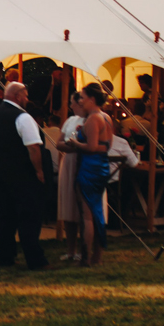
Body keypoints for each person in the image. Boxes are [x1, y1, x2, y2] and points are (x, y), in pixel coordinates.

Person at [0, 80, 48, 270]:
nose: (27, 99)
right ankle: (35, 259)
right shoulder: (23, 117)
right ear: (18, 96)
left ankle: (5, 256)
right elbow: (33, 148)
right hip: (22, 174)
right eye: (25, 96)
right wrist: (39, 170)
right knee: (29, 216)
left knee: (4, 216)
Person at [59, 83, 114, 266]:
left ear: (91, 99)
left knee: (87, 216)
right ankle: (97, 257)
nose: (80, 101)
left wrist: (75, 144)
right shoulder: (107, 118)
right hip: (102, 166)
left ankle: (85, 257)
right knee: (97, 213)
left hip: (89, 167)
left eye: (82, 97)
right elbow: (106, 146)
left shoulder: (92, 120)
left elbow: (90, 147)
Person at [56, 89, 86, 262]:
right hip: (69, 161)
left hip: (84, 161)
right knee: (68, 205)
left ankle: (85, 248)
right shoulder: (69, 121)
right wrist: (69, 146)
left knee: (82, 207)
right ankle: (71, 250)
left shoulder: (91, 119)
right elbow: (59, 142)